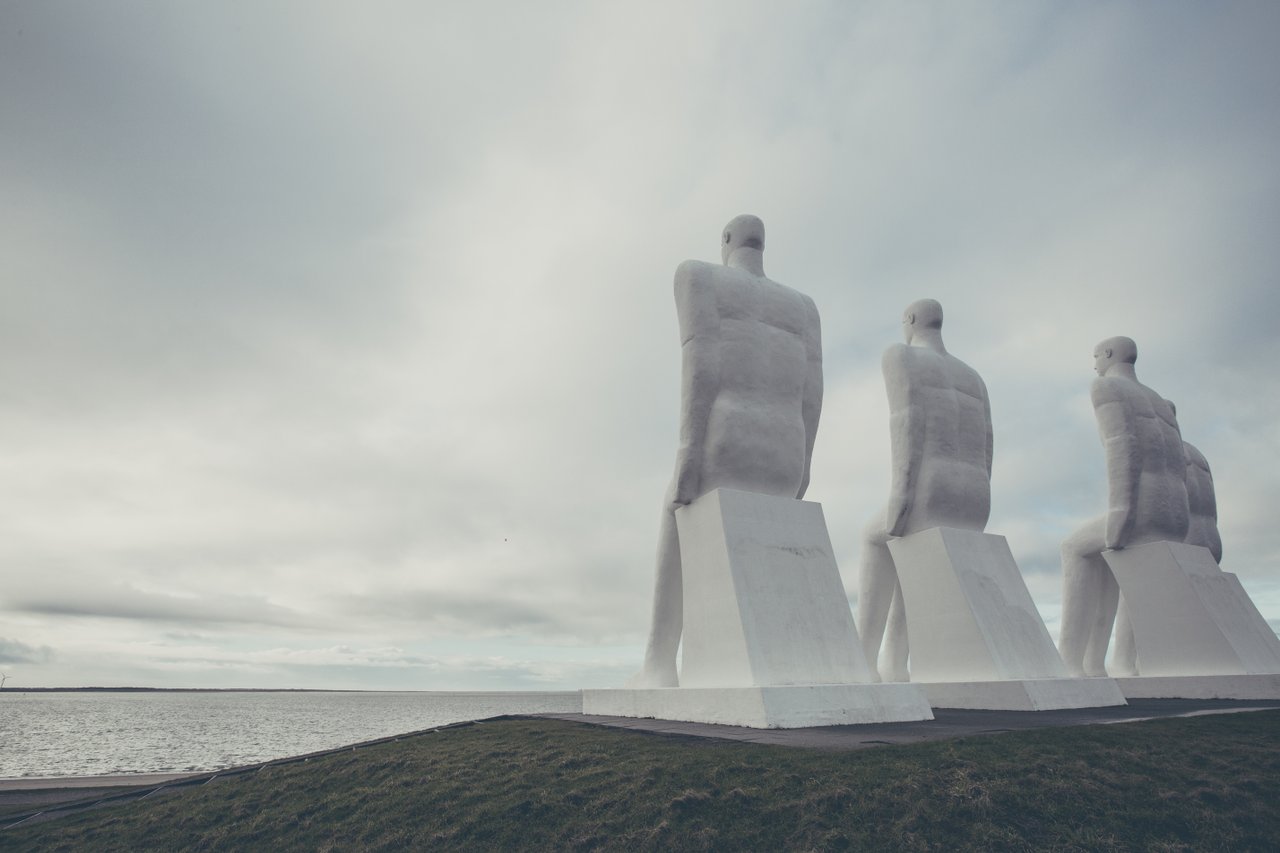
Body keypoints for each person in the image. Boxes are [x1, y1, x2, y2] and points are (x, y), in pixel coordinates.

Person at [629, 215, 823, 688]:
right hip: (785, 454)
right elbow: (812, 392)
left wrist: (688, 452)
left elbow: (702, 364)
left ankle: (658, 662)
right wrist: (805, 465)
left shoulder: (699, 275)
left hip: (728, 439)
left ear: (727, 242)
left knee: (674, 508)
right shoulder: (803, 307)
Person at [856, 299, 993, 682]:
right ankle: (895, 664)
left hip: (932, 489)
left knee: (873, 538)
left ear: (911, 321)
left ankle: (863, 658)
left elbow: (907, 424)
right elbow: (988, 443)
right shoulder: (972, 376)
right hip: (974, 495)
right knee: (908, 553)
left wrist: (901, 496)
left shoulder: (901, 357)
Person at [1058, 336, 1188, 678]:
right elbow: (1178, 464)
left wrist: (1121, 514)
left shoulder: (1107, 388)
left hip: (1141, 510)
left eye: (1097, 356)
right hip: (1174, 515)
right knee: (1119, 560)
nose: (1095, 364)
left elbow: (1121, 449)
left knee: (1074, 548)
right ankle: (1121, 663)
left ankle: (1072, 663)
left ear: (1110, 354)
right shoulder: (1161, 402)